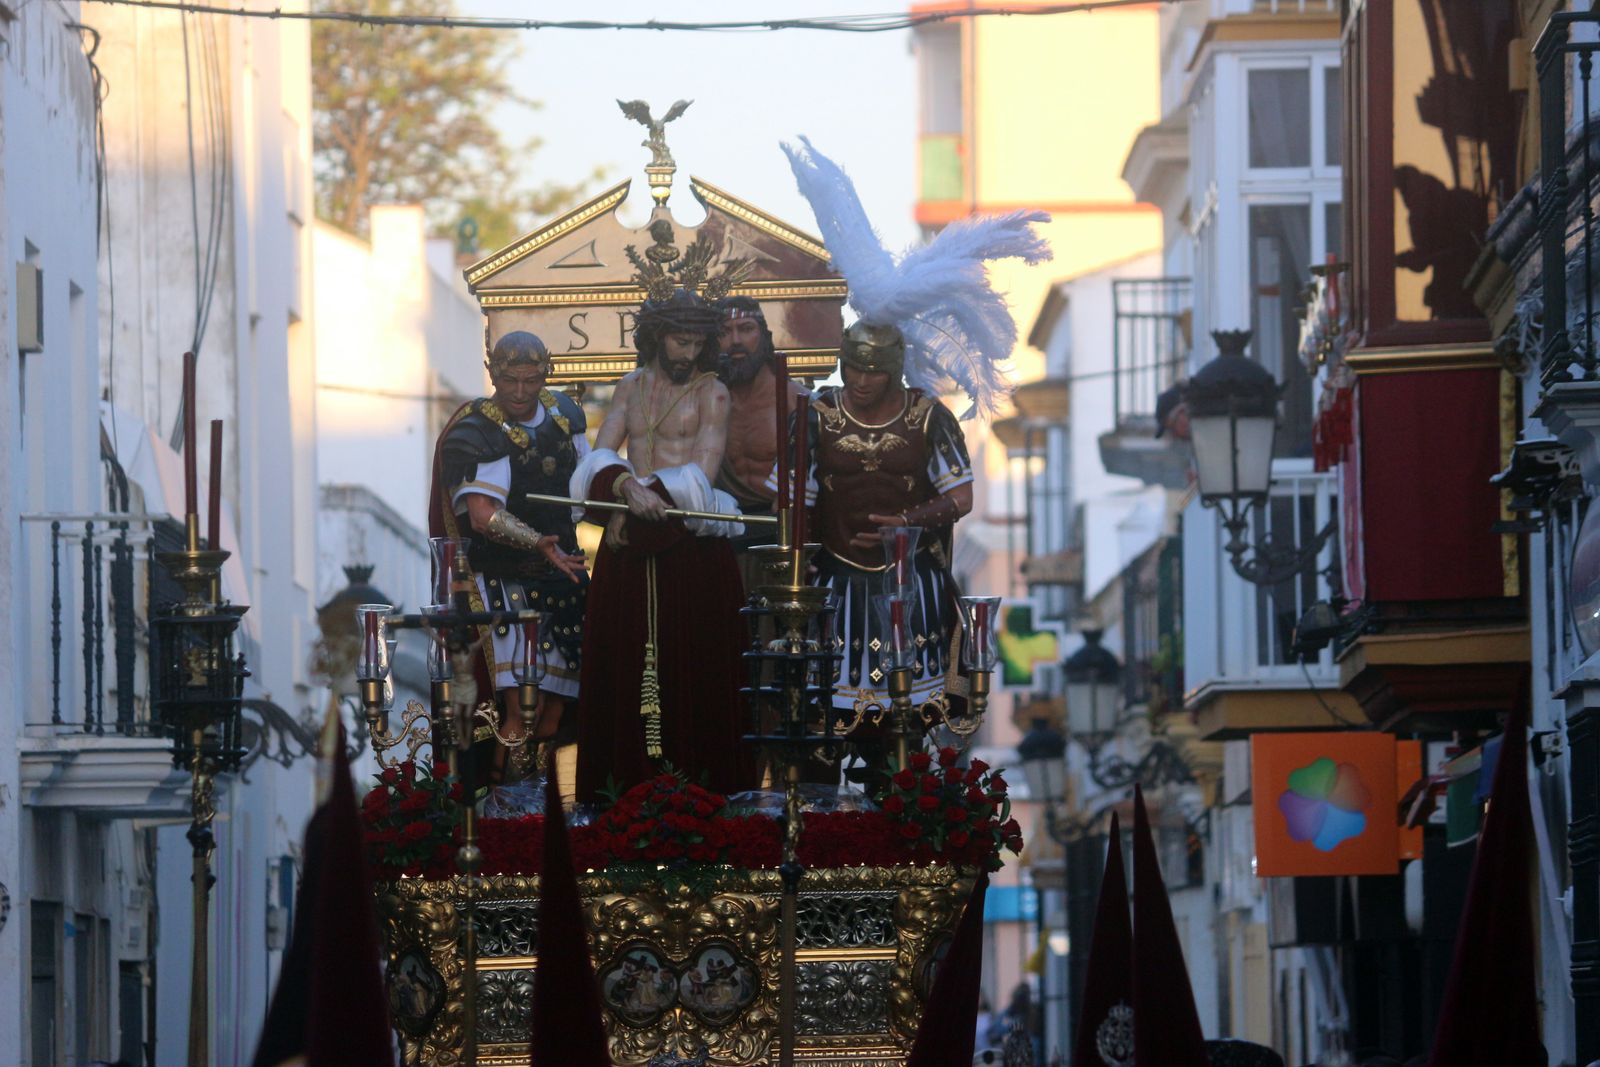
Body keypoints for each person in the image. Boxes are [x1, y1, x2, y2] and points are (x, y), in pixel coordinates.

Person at [571, 285, 753, 800]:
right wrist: (622, 494)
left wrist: (635, 499)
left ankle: (700, 795)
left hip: (688, 546)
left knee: (697, 671)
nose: (689, 354)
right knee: (623, 667)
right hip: (629, 542)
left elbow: (701, 477)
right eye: (679, 342)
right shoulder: (630, 387)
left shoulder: (713, 393)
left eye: (697, 344)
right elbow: (600, 456)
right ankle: (621, 793)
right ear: (656, 337)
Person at [794, 322, 975, 734]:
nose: (860, 380)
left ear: (894, 369)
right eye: (853, 368)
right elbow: (791, 503)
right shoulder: (814, 417)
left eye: (873, 371)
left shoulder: (928, 416)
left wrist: (904, 524)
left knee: (914, 717)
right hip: (835, 577)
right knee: (825, 715)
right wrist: (798, 559)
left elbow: (962, 498)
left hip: (913, 577)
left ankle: (908, 770)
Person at [428, 331, 588, 779]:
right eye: (509, 380)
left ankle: (539, 794)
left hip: (563, 577)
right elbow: (482, 516)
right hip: (507, 583)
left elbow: (584, 488)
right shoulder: (476, 430)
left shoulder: (565, 416)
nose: (519, 391)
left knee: (555, 715)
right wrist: (538, 543)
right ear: (493, 374)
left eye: (530, 380)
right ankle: (508, 800)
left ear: (545, 375)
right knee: (521, 710)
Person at [713, 295, 811, 589]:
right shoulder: (706, 400)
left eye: (746, 329)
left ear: (764, 336)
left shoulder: (795, 399)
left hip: (781, 539)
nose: (735, 341)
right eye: (724, 332)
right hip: (722, 537)